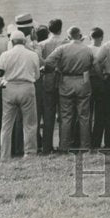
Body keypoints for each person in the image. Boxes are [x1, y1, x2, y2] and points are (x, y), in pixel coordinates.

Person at [0, 30, 42, 159]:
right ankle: (29, 153)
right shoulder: (33, 55)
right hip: (27, 87)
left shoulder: (5, 55)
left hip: (9, 87)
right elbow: (37, 75)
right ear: (24, 41)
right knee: (29, 123)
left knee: (6, 124)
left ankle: (5, 155)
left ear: (11, 42)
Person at [45, 26, 97, 151]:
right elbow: (94, 64)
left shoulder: (62, 48)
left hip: (66, 81)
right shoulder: (88, 49)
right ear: (80, 36)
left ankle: (64, 146)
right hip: (83, 81)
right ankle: (85, 145)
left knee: (66, 115)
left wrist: (57, 68)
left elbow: (48, 62)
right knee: (84, 116)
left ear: (68, 37)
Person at [38, 19, 68, 153]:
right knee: (64, 114)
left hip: (47, 79)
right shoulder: (66, 43)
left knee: (48, 114)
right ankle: (63, 144)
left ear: (49, 30)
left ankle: (47, 146)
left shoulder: (42, 44)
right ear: (60, 29)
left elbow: (40, 63)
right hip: (63, 79)